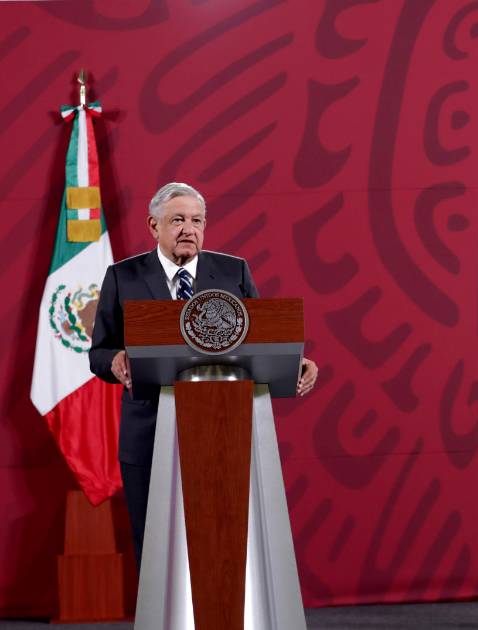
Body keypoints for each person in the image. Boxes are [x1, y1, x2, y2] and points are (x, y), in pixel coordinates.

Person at [88, 182, 319, 565]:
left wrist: (296, 363)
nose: (188, 229)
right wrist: (114, 360)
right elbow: (98, 353)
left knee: (224, 544)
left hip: (224, 431)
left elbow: (260, 339)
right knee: (156, 547)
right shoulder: (122, 277)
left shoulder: (233, 271)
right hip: (149, 433)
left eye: (197, 221)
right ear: (154, 226)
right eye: (177, 220)